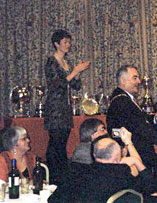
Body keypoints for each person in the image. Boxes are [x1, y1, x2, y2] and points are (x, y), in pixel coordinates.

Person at [106, 65, 157, 169]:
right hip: (133, 155)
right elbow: (139, 126)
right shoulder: (121, 101)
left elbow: (136, 119)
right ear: (123, 80)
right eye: (135, 78)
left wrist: (155, 119)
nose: (138, 81)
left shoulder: (125, 98)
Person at [49, 134, 157, 203]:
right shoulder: (122, 172)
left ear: (94, 154)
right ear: (118, 157)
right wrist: (136, 161)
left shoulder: (77, 172)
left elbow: (53, 199)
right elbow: (152, 188)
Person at [43, 29, 90, 183]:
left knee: (62, 142)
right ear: (56, 44)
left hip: (65, 107)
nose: (68, 45)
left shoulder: (67, 63)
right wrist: (75, 70)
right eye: (65, 42)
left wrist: (77, 72)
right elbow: (57, 85)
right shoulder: (51, 61)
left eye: (69, 42)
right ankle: (53, 177)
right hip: (55, 107)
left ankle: (61, 177)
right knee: (55, 143)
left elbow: (75, 85)